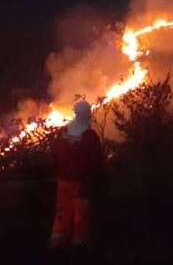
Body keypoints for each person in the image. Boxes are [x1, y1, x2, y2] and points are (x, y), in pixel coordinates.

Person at [49, 100, 104, 254]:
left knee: (62, 214)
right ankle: (79, 251)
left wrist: (59, 173)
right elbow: (96, 160)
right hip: (81, 183)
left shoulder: (64, 132)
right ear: (87, 114)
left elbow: (55, 155)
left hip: (63, 182)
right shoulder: (89, 135)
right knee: (80, 217)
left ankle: (56, 248)